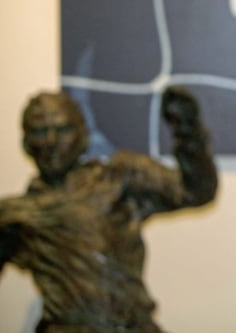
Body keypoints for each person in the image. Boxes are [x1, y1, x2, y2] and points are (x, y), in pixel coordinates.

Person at [0, 86, 217, 332]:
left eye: (62, 130)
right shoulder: (16, 216)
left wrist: (188, 131)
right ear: (26, 143)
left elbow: (197, 192)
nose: (51, 142)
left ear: (83, 136)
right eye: (40, 131)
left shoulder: (119, 178)